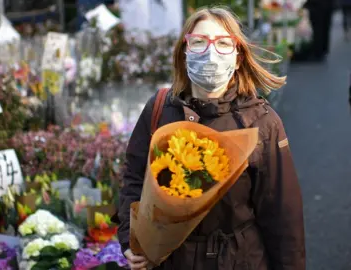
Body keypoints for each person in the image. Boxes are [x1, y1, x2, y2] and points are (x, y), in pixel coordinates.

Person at [117, 7, 306, 270]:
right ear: (184, 52)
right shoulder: (160, 109)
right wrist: (131, 240)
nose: (210, 53)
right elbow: (134, 179)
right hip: (170, 259)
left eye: (223, 43)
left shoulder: (261, 123)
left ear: (238, 57)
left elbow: (283, 216)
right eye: (198, 42)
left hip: (238, 260)